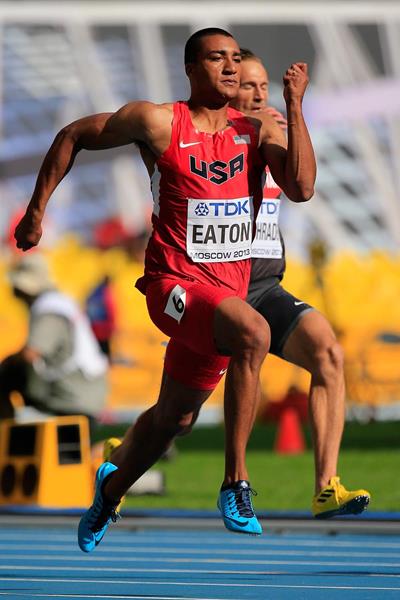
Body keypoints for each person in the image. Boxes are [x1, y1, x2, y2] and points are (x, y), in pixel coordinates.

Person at [14, 27, 316, 549]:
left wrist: (294, 106)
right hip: (172, 286)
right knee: (254, 332)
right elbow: (74, 135)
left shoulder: (256, 130)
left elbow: (303, 188)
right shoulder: (158, 121)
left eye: (234, 58)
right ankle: (235, 483)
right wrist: (36, 211)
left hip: (224, 294)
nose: (228, 67)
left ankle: (110, 488)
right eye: (215, 58)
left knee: (174, 417)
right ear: (191, 69)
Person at [230, 49, 370, 518]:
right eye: (247, 84)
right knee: (179, 417)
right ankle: (122, 457)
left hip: (265, 285)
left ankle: (326, 486)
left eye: (262, 85)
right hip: (219, 286)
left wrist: (293, 110)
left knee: (329, 353)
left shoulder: (272, 128)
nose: (257, 93)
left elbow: (304, 185)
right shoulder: (212, 134)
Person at [0, 253, 108, 435]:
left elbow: (31, 353)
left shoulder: (49, 309)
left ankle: (8, 439)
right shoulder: (59, 302)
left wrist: (8, 362)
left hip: (72, 396)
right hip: (82, 390)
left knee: (6, 373)